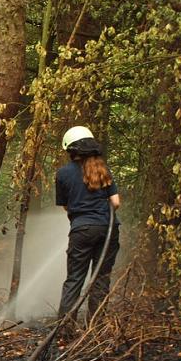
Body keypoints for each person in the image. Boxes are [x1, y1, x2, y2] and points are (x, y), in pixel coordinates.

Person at [55, 126, 120, 326]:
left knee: (75, 279)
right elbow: (116, 202)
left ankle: (65, 329)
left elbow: (66, 206)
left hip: (81, 230)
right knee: (101, 279)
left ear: (71, 150)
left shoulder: (63, 173)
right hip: (108, 229)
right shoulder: (102, 169)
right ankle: (95, 329)